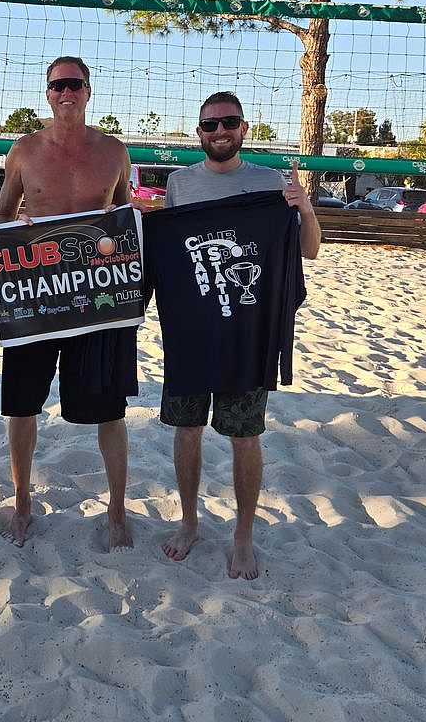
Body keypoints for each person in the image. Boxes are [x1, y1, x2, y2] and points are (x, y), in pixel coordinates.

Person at [0, 56, 134, 550]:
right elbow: (4, 214)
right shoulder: (24, 150)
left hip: (94, 299)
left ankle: (117, 509)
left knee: (110, 409)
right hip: (36, 296)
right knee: (21, 407)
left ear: (89, 91)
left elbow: (125, 218)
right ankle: (22, 501)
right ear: (47, 93)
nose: (66, 92)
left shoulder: (114, 151)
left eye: (75, 84)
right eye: (57, 85)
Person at [160, 91, 321, 578]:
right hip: (191, 332)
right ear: (199, 133)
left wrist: (305, 209)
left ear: (244, 128)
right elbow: (163, 249)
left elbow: (309, 251)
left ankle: (243, 535)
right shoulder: (179, 183)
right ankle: (189, 523)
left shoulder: (270, 183)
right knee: (187, 430)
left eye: (229, 122)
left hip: (249, 333)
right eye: (210, 125)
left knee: (245, 437)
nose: (220, 132)